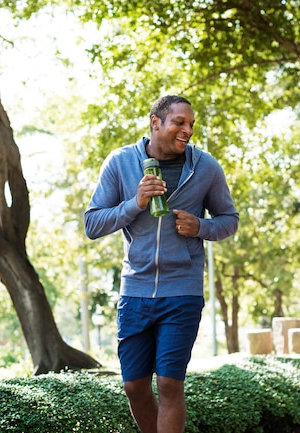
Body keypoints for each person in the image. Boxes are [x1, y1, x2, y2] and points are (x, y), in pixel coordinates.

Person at [84, 95, 239, 433]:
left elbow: (229, 219)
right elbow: (92, 224)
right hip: (135, 291)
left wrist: (201, 227)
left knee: (169, 385)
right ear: (156, 123)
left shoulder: (206, 167)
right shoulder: (121, 162)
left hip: (181, 290)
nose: (187, 131)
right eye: (179, 123)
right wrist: (135, 202)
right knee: (135, 387)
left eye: (191, 125)